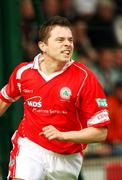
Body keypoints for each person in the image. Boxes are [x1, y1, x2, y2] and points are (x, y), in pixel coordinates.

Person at [0, 16, 110, 180]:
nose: (68, 44)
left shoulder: (85, 78)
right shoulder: (23, 73)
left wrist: (63, 135)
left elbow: (100, 133)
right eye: (60, 40)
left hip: (68, 158)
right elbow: (4, 99)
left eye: (70, 40)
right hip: (30, 147)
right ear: (42, 46)